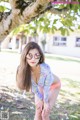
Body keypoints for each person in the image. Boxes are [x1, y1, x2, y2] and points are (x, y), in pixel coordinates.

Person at [16, 42, 61, 120]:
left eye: (36, 55)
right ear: (25, 56)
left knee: (45, 113)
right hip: (40, 86)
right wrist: (40, 99)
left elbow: (46, 87)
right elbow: (34, 87)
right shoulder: (25, 70)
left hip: (53, 86)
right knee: (38, 109)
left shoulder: (45, 69)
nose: (33, 59)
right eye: (30, 55)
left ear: (40, 56)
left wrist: (45, 102)